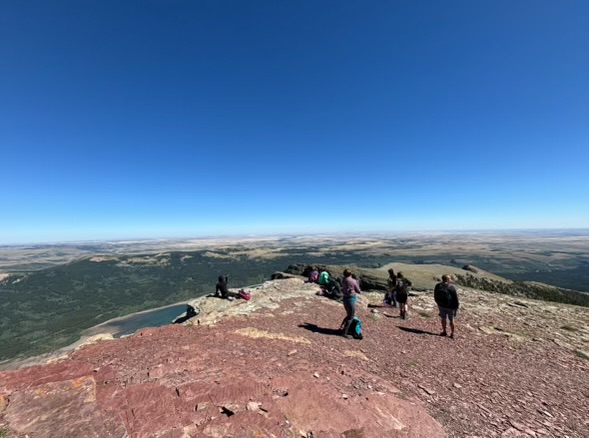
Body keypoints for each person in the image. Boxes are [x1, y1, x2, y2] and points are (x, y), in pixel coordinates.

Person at [340, 269, 361, 338]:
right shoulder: (352, 281)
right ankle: (345, 332)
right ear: (350, 274)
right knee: (351, 316)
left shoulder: (343, 280)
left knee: (349, 314)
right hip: (351, 298)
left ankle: (342, 327)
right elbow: (358, 290)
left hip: (345, 298)